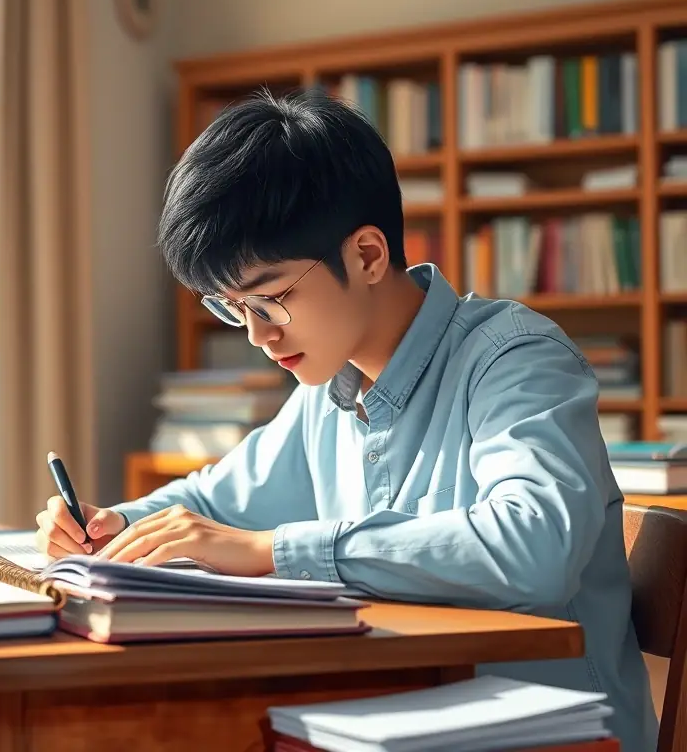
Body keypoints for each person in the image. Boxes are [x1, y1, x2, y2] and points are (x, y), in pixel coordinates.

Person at [33, 86, 657, 751]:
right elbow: (216, 503)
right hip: (393, 719)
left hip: (549, 738)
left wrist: (277, 551)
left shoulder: (514, 358)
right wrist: (115, 528)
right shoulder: (328, 386)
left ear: (365, 256)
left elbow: (534, 547)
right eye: (231, 308)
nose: (256, 335)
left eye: (270, 300)